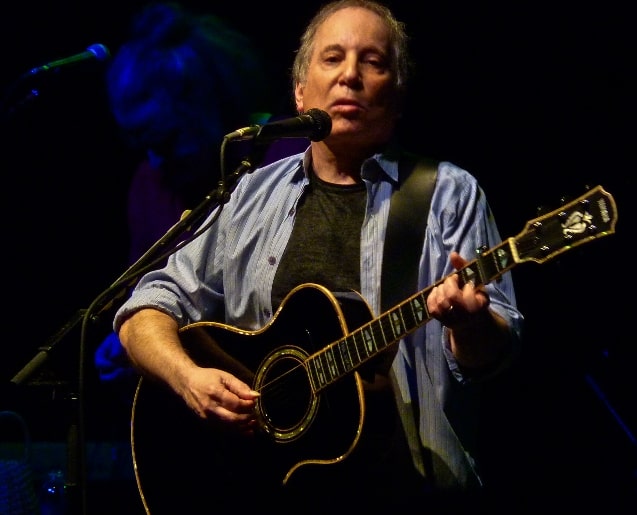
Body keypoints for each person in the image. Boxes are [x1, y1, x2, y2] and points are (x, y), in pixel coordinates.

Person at [114, 1, 524, 513]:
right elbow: (144, 308)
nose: (350, 75)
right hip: (260, 485)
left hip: (405, 491)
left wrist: (470, 323)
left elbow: (494, 356)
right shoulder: (248, 196)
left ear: (397, 95)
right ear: (300, 89)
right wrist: (187, 378)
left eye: (373, 62)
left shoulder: (448, 194)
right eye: (332, 58)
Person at [94, 2, 307, 391]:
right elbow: (145, 297)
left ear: (208, 103)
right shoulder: (150, 182)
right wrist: (130, 338)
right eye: (142, 144)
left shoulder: (288, 155)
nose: (156, 160)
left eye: (168, 139)